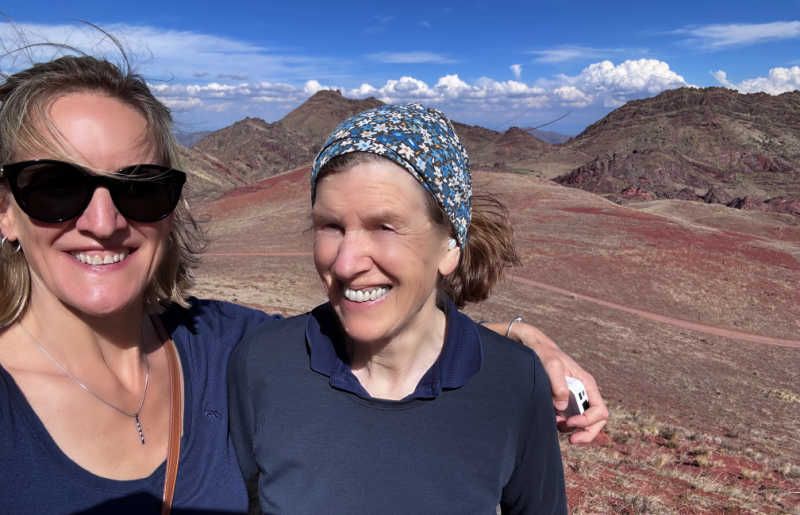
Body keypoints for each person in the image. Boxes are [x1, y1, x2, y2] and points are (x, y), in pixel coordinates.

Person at [0, 52, 603, 513]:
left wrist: (520, 347)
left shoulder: (219, 346)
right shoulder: (253, 359)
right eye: (54, 186)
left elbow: (389, 337)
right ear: (6, 209)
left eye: (139, 188)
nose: (102, 222)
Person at [228, 104, 567, 513]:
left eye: (384, 227)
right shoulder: (263, 365)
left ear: (449, 247)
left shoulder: (513, 381)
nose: (346, 263)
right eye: (331, 226)